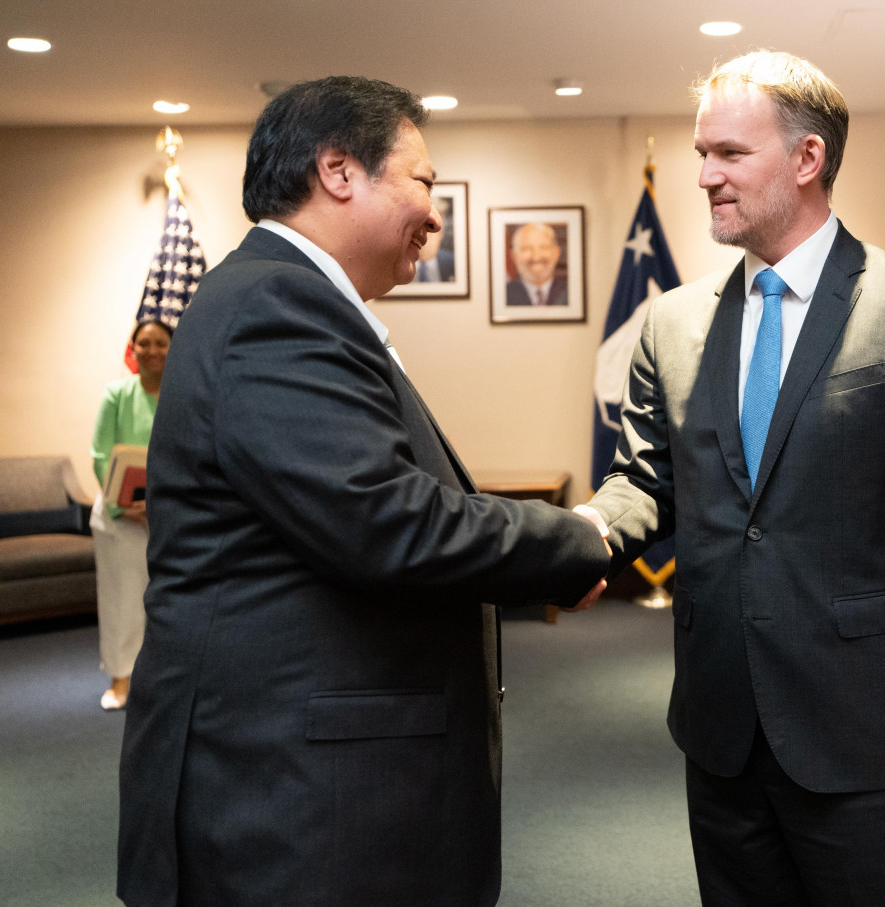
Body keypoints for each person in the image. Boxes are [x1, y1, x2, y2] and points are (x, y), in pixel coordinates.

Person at [116, 76, 609, 907]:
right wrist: (581, 538)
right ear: (340, 171)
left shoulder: (282, 299)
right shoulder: (276, 305)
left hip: (306, 786)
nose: (436, 215)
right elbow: (389, 521)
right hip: (292, 807)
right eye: (424, 183)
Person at [579, 51, 885, 906]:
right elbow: (642, 481)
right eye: (703, 153)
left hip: (864, 729)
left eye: (730, 154)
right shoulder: (668, 323)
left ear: (808, 159)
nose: (705, 176)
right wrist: (575, 538)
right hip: (721, 725)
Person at [89, 319, 171, 711]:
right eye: (145, 343)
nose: (152, 350)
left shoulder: (181, 395)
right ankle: (121, 679)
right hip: (119, 518)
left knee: (170, 600)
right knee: (123, 600)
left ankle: (163, 679)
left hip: (169, 514)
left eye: (161, 343)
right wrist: (126, 506)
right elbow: (101, 455)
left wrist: (160, 505)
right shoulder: (116, 394)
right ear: (133, 348)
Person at [505, 222, 567, 305]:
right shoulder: (503, 295)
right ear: (514, 256)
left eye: (543, 247)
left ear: (556, 253)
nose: (536, 257)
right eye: (527, 249)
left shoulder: (573, 291)